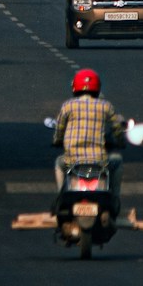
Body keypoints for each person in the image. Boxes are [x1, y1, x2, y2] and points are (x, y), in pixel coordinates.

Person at [51, 69, 126, 200]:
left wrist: (57, 140)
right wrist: (121, 142)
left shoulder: (68, 106)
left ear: (75, 87)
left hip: (72, 160)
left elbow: (59, 128)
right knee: (117, 161)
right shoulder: (106, 106)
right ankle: (115, 197)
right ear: (97, 88)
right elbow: (117, 128)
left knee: (59, 162)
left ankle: (60, 196)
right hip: (99, 160)